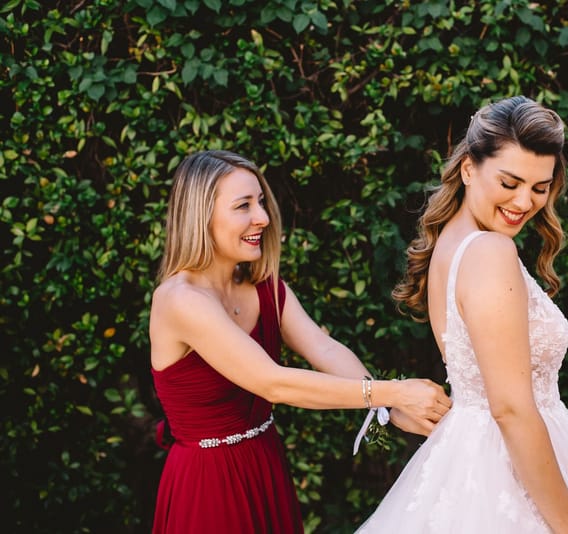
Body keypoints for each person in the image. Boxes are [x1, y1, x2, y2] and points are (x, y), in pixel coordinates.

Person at [357, 96, 568, 533]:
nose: (524, 202)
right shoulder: (490, 251)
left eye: (540, 187)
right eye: (510, 182)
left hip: (471, 463)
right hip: (509, 469)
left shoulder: (451, 246)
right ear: (468, 169)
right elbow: (512, 408)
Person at [148, 150, 452, 533]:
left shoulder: (266, 289)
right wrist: (392, 394)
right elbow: (271, 381)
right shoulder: (180, 300)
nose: (262, 217)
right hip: (207, 483)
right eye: (243, 205)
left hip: (265, 464)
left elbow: (322, 349)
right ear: (200, 217)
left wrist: (385, 410)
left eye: (260, 202)